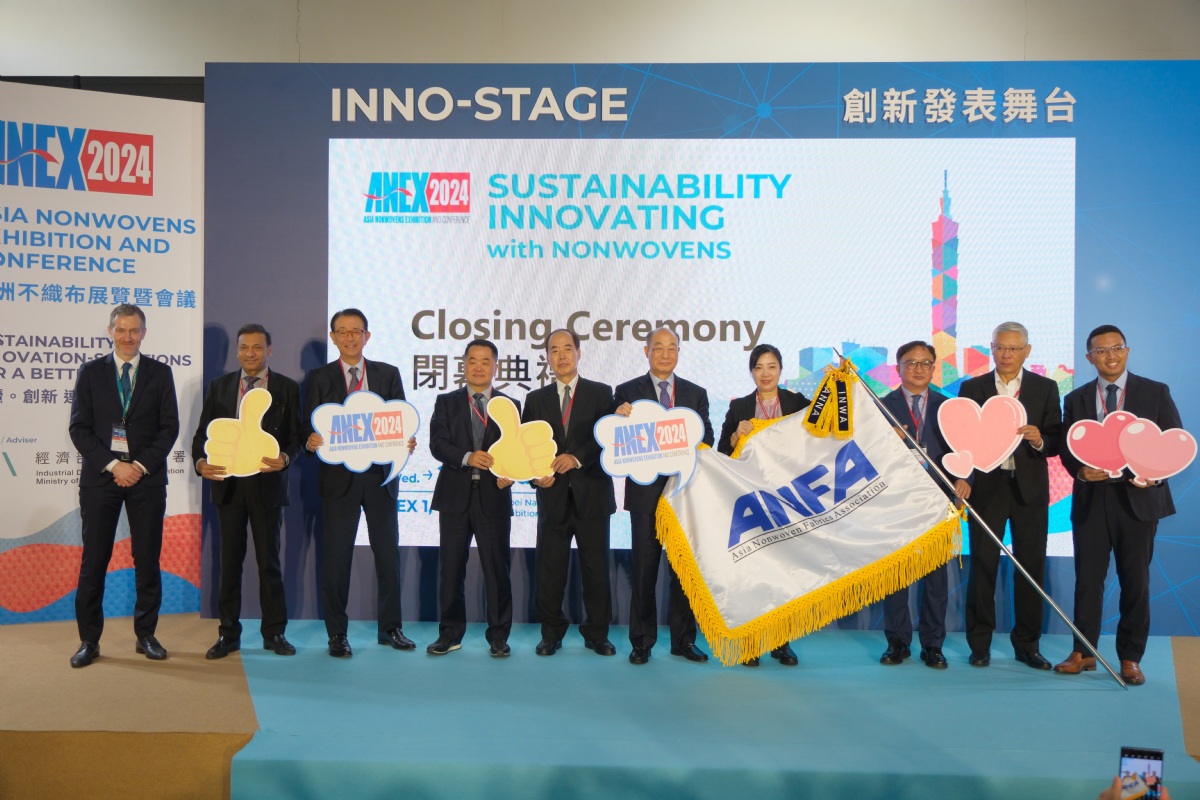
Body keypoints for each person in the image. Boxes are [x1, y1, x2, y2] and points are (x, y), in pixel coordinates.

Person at [1053, 325, 1180, 686]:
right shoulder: (1076, 398)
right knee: (1087, 581)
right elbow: (1067, 447)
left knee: (1135, 582)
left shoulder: (1155, 392)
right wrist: (1080, 472)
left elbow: (1172, 441)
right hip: (1092, 501)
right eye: (1101, 350)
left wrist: (1154, 476)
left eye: (1117, 348)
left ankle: (1130, 658)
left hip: (1138, 501)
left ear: (1127, 351)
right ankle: (1083, 653)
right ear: (1089, 357)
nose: (1110, 355)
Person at [67, 304, 180, 667]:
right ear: (110, 331)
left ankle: (146, 635)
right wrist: (115, 465)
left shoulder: (160, 373)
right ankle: (89, 640)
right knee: (94, 560)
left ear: (144, 332)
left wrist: (139, 466)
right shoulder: (90, 373)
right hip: (101, 479)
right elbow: (79, 428)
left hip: (147, 479)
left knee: (147, 559)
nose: (127, 337)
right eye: (121, 330)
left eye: (134, 330)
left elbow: (169, 427)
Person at [303, 308, 416, 658]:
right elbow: (306, 426)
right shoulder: (319, 377)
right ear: (333, 337)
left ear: (367, 336)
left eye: (357, 331)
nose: (350, 337)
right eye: (343, 331)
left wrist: (406, 440)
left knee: (387, 556)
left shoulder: (388, 373)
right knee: (337, 560)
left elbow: (400, 420)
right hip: (338, 481)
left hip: (381, 479)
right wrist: (309, 440)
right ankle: (337, 634)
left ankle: (391, 628)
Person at [192, 323, 303, 659]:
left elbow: (297, 436)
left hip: (268, 486)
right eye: (244, 347)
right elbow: (202, 435)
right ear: (237, 351)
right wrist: (200, 462)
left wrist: (285, 458)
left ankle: (274, 633)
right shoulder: (220, 386)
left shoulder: (286, 388)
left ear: (269, 350)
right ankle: (228, 634)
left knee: (269, 562)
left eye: (257, 347)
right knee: (229, 564)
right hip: (228, 486)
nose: (250, 354)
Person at [958, 321, 1062, 669]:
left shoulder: (1045, 388)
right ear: (991, 349)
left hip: (1029, 489)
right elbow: (962, 440)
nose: (1006, 354)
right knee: (983, 566)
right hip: (987, 488)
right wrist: (964, 477)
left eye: (1014, 348)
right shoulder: (972, 387)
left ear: (1026, 352)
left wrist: (1039, 439)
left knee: (1031, 568)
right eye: (1000, 347)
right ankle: (979, 645)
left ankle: (1028, 645)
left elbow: (1055, 438)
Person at [613, 327, 715, 665]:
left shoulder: (696, 394)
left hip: (684, 495)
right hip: (644, 497)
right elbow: (615, 440)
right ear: (647, 352)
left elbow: (707, 438)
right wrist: (616, 418)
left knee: (683, 572)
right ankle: (641, 642)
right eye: (658, 348)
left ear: (679, 353)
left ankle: (683, 641)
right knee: (644, 571)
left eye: (672, 348)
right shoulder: (626, 392)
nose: (665, 354)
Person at [522, 329, 617, 656]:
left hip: (592, 497)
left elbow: (607, 437)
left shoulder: (601, 393)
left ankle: (597, 634)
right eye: (554, 350)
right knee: (550, 571)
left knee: (596, 571)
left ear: (579, 352)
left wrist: (576, 458)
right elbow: (525, 449)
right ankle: (551, 633)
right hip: (552, 498)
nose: (561, 356)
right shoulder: (535, 400)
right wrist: (536, 477)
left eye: (567, 349)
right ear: (547, 357)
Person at [718, 343, 809, 667]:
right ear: (751, 372)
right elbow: (722, 453)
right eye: (759, 367)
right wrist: (735, 436)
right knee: (753, 572)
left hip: (790, 500)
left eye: (772, 366)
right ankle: (751, 643)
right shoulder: (740, 406)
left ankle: (782, 642)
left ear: (780, 370)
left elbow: (821, 434)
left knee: (785, 571)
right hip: (753, 501)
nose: (765, 373)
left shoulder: (797, 403)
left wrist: (839, 383)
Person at [425, 339, 518, 658]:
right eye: (472, 361)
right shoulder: (446, 401)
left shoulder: (510, 404)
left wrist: (513, 472)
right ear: (464, 365)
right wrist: (467, 457)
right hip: (454, 497)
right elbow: (437, 443)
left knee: (497, 570)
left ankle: (499, 636)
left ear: (496, 367)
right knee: (451, 570)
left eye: (485, 361)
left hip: (494, 497)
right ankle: (449, 634)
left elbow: (517, 450)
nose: (479, 367)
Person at [878, 340, 967, 670]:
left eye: (925, 363)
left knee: (936, 578)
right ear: (898, 368)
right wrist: (888, 443)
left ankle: (933, 645)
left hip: (937, 500)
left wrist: (965, 477)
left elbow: (964, 450)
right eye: (911, 363)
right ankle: (897, 642)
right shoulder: (880, 407)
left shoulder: (948, 407)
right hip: (895, 502)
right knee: (896, 576)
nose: (918, 369)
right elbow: (865, 455)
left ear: (934, 367)